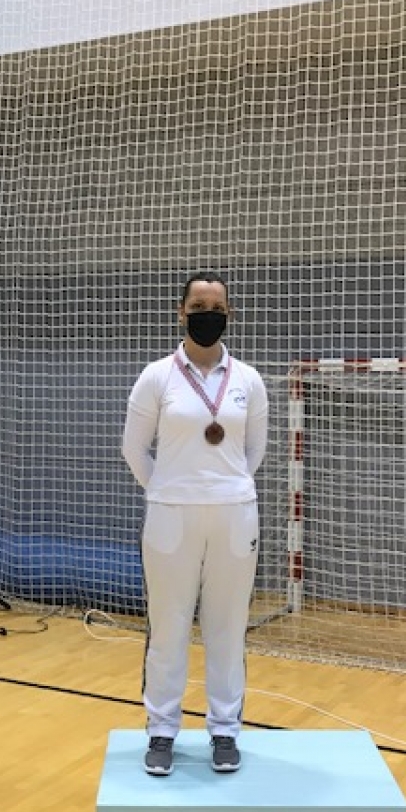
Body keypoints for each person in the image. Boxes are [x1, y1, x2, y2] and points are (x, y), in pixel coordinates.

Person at [122, 274, 268, 776]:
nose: (209, 313)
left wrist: (227, 488)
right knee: (169, 626)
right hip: (170, 517)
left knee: (228, 627)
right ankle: (162, 730)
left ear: (229, 314)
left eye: (217, 307)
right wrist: (167, 490)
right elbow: (133, 448)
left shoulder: (248, 380)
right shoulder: (157, 376)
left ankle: (225, 730)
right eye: (199, 305)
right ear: (182, 312)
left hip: (235, 516)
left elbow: (254, 450)